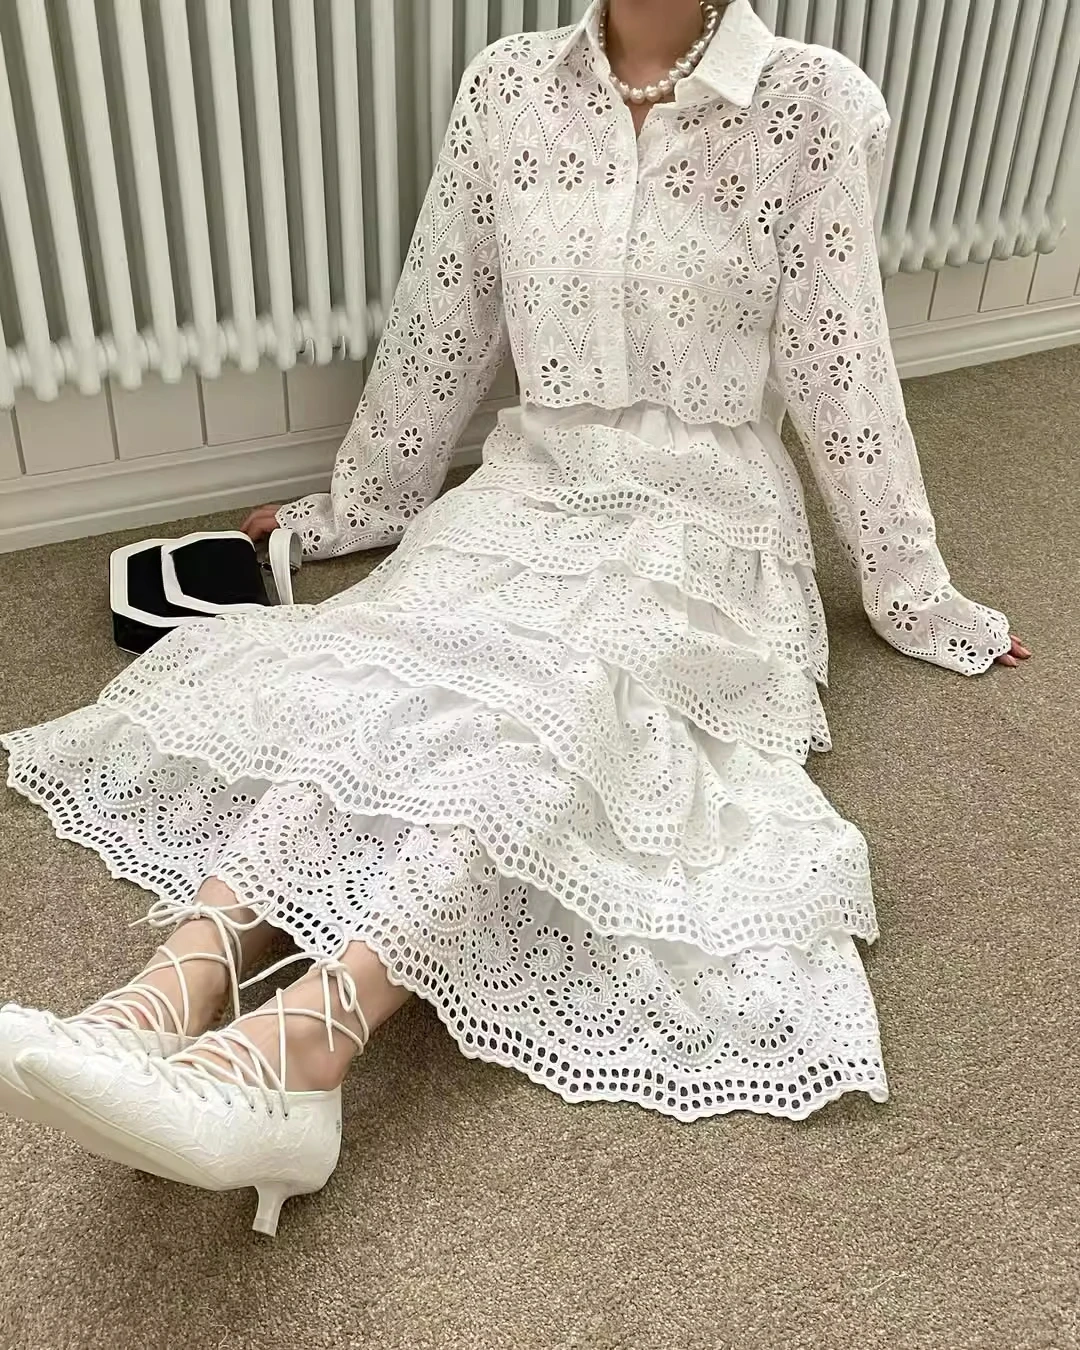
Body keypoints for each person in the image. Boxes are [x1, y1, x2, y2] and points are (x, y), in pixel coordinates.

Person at [0, 0, 1030, 1237]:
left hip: (702, 515)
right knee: (392, 672)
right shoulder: (508, 88)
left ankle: (304, 1050)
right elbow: (444, 320)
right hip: (532, 480)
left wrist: (916, 593)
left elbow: (841, 365)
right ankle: (169, 990)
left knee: (561, 702)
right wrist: (360, 508)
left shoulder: (815, 104)